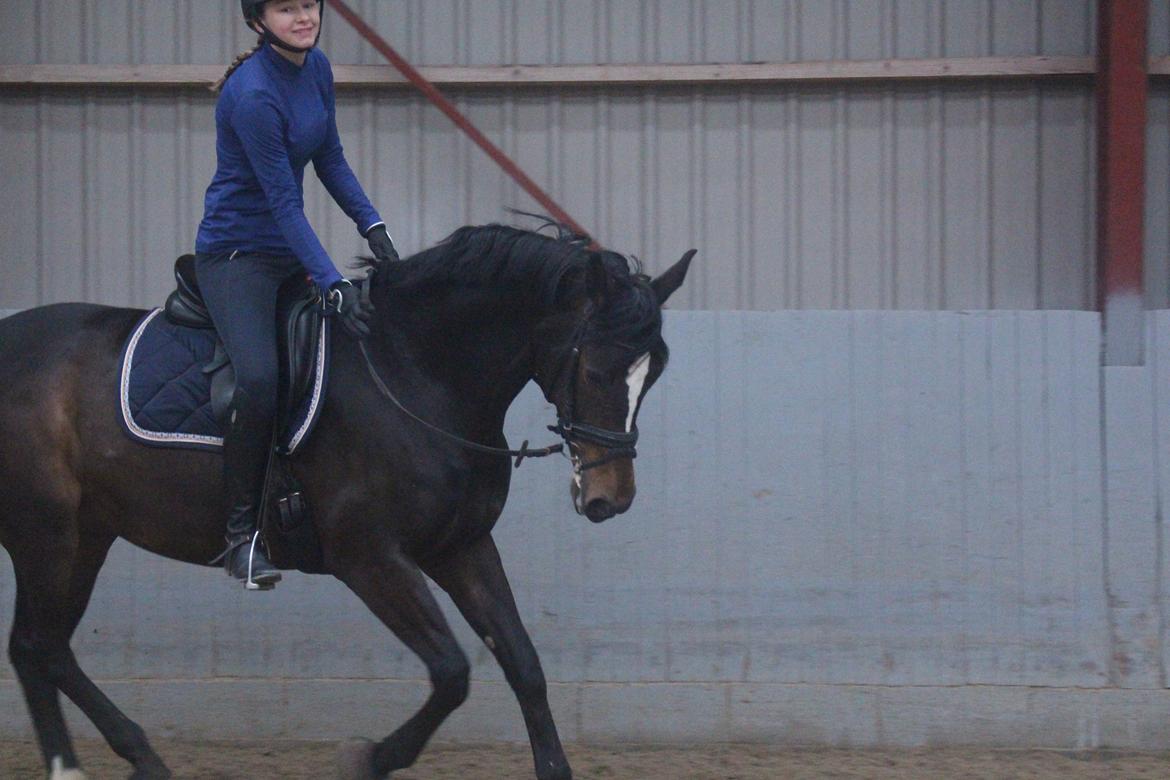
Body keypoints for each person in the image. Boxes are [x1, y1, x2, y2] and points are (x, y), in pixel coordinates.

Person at [195, 0, 398, 589]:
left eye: (309, 4)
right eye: (287, 9)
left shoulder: (317, 68)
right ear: (258, 21)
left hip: (286, 257)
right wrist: (332, 280)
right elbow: (283, 201)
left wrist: (373, 226)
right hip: (237, 257)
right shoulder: (254, 95)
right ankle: (238, 539)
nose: (304, 17)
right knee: (258, 377)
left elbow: (330, 157)